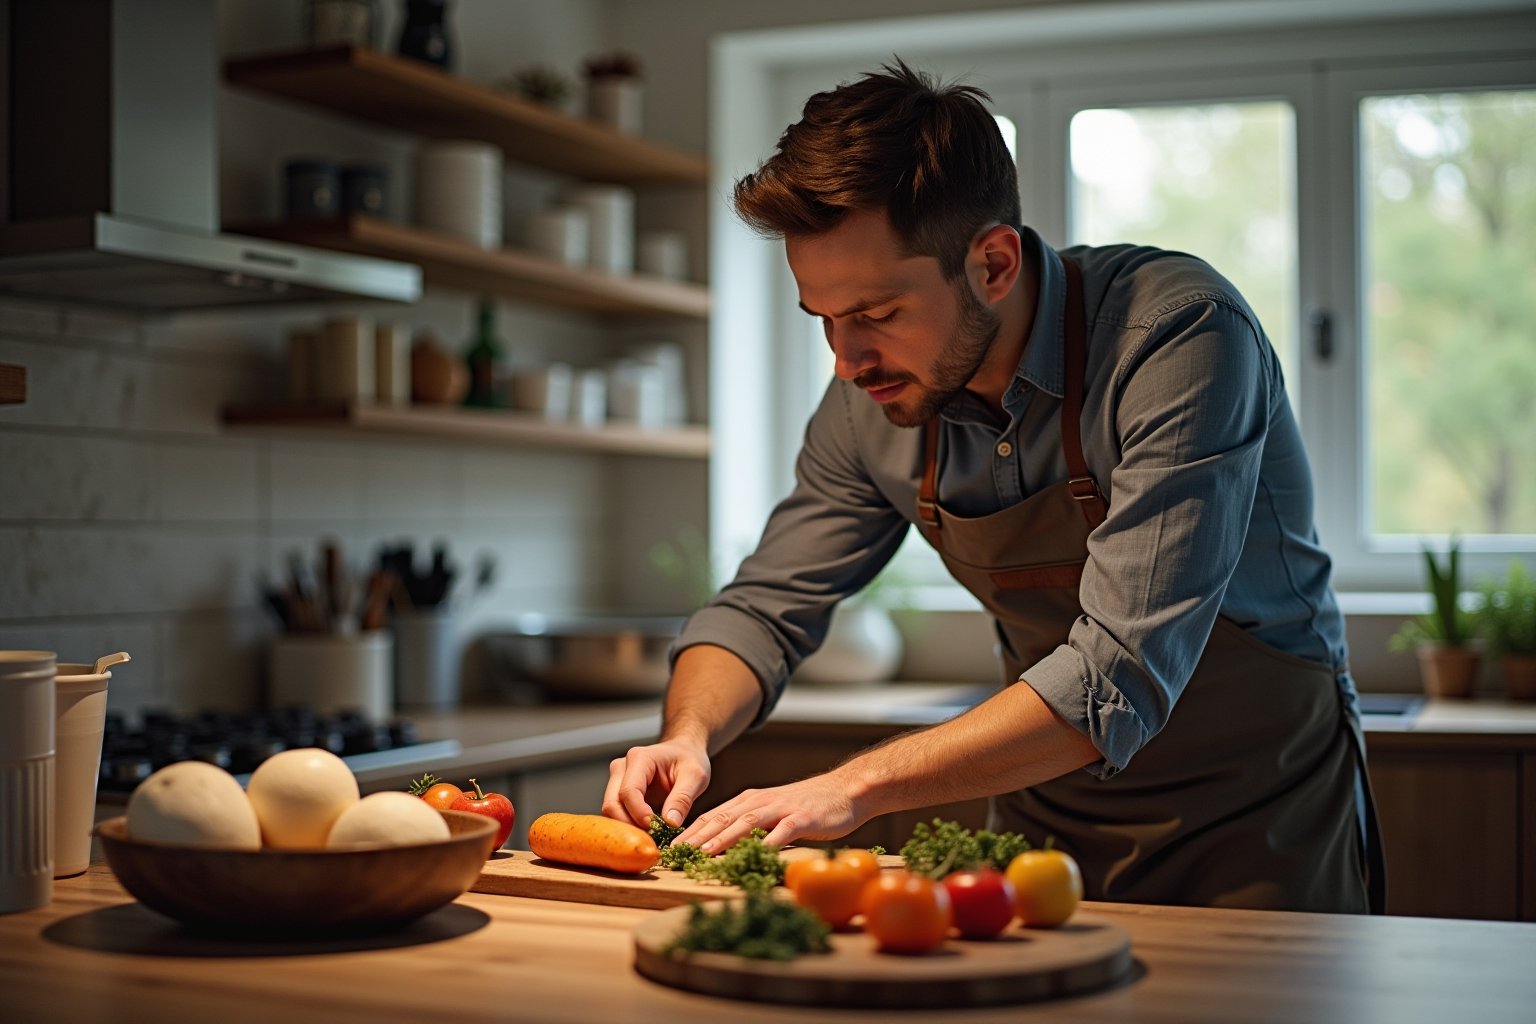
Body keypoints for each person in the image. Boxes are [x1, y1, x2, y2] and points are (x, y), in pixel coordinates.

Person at [603, 60, 1384, 914]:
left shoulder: (1179, 337)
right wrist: (689, 734)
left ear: (995, 264)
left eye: (876, 312)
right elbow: (762, 607)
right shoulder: (873, 396)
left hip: (1256, 811)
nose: (845, 360)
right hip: (1045, 811)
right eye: (823, 319)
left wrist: (858, 785)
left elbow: (1116, 672)